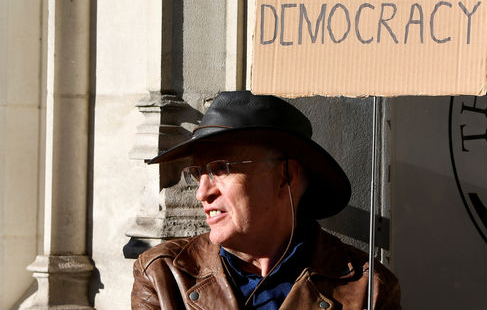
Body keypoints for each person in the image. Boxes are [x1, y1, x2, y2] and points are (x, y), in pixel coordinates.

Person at [131, 91, 400, 309]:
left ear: (286, 176)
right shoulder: (162, 275)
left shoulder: (368, 290)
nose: (202, 193)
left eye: (221, 168)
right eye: (197, 173)